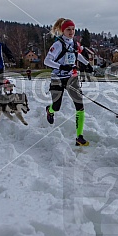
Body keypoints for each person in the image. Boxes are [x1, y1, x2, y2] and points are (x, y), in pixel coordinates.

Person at [44, 18, 93, 147]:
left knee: (80, 105)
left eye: (73, 29)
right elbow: (46, 61)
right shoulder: (58, 44)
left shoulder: (75, 44)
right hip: (57, 78)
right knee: (57, 106)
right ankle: (50, 110)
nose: (71, 32)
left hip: (71, 78)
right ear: (62, 30)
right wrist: (60, 67)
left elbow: (77, 55)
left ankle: (79, 137)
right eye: (68, 29)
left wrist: (87, 64)